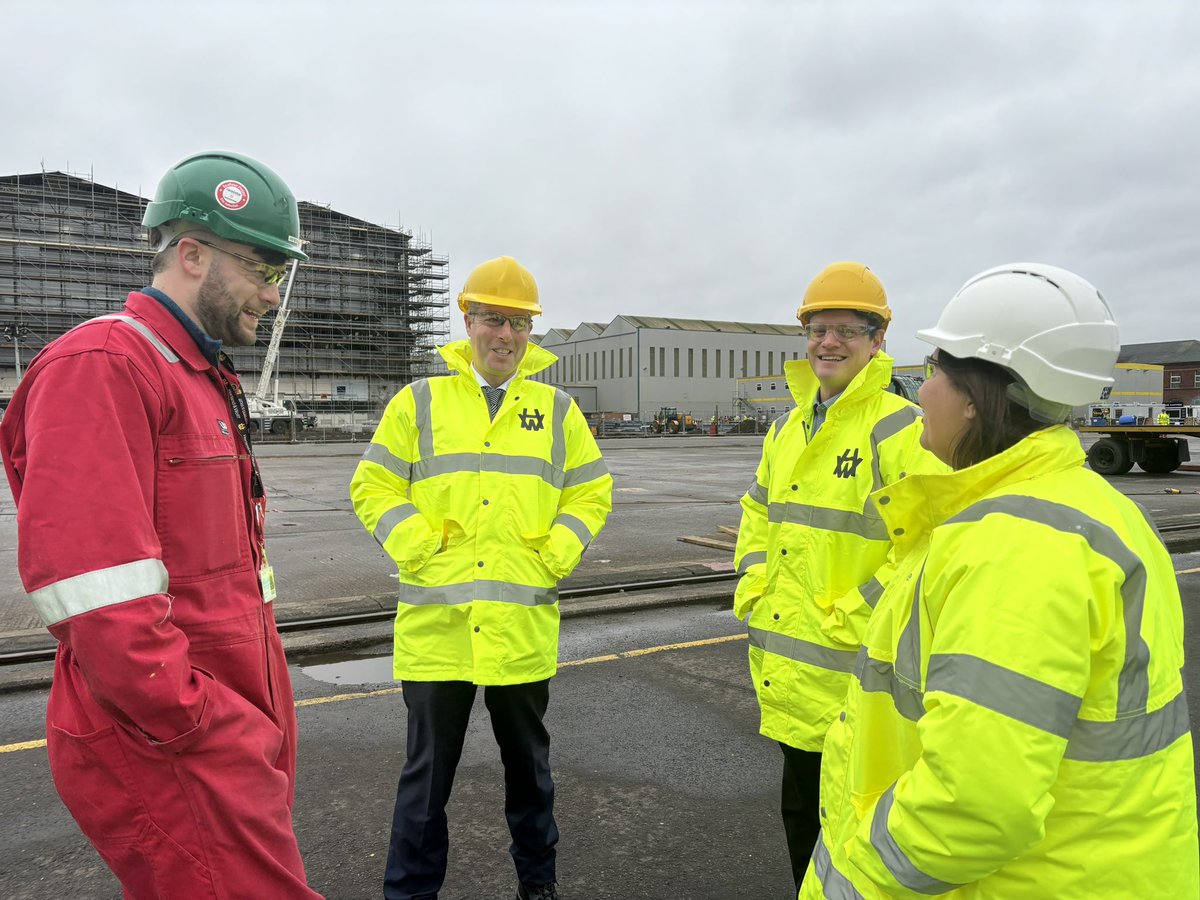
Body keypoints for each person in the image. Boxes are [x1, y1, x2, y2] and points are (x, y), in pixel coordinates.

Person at [803, 263, 1199, 898]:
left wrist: (850, 883)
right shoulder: (1088, 507)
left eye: (933, 370)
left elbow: (973, 807)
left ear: (972, 397)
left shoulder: (1016, 547)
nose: (920, 392)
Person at [0, 151, 323, 897]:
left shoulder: (198, 375)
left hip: (225, 724)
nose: (274, 294)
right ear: (190, 253)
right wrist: (205, 725)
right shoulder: (105, 365)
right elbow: (93, 590)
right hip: (172, 738)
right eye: (262, 270)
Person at [349, 256, 613, 900]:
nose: (505, 335)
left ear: (531, 332)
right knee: (425, 785)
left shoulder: (557, 410)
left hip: (519, 631)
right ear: (467, 322)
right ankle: (410, 894)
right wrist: (420, 544)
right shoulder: (420, 402)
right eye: (493, 319)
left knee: (530, 776)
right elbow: (373, 485)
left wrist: (553, 554)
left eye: (518, 323)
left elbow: (592, 493)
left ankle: (537, 886)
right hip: (437, 633)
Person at [733, 261, 945, 891]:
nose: (829, 342)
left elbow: (926, 547)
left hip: (858, 672)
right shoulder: (788, 426)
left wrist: (852, 613)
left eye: (849, 330)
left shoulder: (899, 429)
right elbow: (757, 512)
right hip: (792, 666)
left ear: (878, 340)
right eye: (819, 328)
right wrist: (752, 582)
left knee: (857, 824)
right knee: (801, 814)